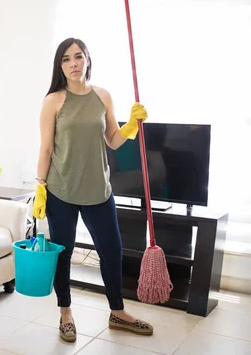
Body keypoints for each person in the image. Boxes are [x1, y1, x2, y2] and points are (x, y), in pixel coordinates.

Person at [32, 37, 154, 342]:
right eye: (66, 59)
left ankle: (118, 312)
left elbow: (112, 139)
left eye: (78, 57)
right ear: (59, 65)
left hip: (99, 190)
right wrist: (40, 186)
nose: (73, 64)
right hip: (61, 190)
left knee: (112, 251)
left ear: (88, 60)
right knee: (64, 254)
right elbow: (46, 148)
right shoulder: (53, 101)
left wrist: (131, 126)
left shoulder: (102, 96)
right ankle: (65, 314)